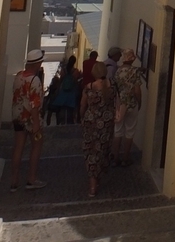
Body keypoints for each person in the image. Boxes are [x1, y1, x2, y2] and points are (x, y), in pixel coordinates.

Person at [10, 49, 46, 191]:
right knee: (36, 146)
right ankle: (31, 179)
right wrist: (36, 124)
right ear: (37, 64)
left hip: (17, 115)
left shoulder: (19, 76)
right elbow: (34, 104)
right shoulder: (34, 80)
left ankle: (14, 181)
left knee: (18, 147)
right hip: (31, 118)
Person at [80, 60, 116, 197]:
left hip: (91, 123)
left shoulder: (89, 87)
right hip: (106, 124)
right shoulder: (112, 86)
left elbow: (83, 106)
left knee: (91, 153)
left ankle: (92, 186)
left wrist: (81, 118)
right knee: (102, 151)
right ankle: (97, 179)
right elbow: (116, 103)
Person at [111, 48, 141, 166]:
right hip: (131, 104)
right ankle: (125, 158)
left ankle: (115, 158)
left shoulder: (118, 71)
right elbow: (137, 90)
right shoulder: (134, 72)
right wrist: (140, 102)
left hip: (119, 104)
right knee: (130, 131)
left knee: (118, 131)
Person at [51, 55, 81, 124]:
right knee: (71, 109)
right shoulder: (75, 71)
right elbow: (76, 82)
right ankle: (70, 122)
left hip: (63, 92)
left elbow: (61, 80)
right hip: (71, 92)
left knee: (61, 108)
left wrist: (58, 89)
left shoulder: (63, 70)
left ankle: (60, 122)